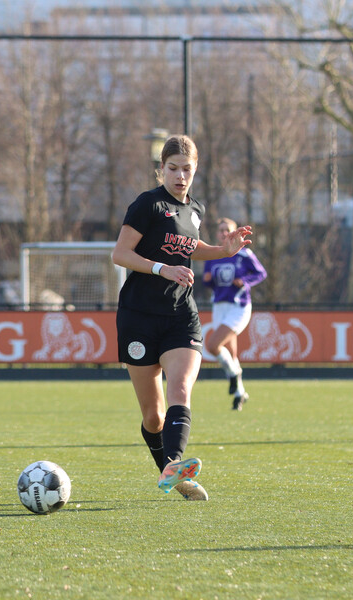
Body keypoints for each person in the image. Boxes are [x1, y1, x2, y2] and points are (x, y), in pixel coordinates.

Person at [112, 134, 252, 501]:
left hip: (180, 315)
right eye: (172, 168)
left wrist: (224, 250)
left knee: (180, 388)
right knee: (153, 416)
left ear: (196, 170)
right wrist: (163, 269)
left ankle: (175, 466)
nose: (180, 176)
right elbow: (121, 254)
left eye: (186, 169)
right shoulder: (147, 204)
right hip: (139, 317)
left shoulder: (196, 210)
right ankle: (169, 469)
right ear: (161, 169)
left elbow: (191, 248)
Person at [202, 217, 267, 411]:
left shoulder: (244, 254)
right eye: (221, 230)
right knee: (230, 353)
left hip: (238, 306)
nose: (223, 233)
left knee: (213, 345)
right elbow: (208, 281)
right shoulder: (212, 254)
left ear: (234, 233)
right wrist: (206, 280)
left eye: (227, 230)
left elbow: (261, 273)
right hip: (219, 306)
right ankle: (240, 394)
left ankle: (233, 375)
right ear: (217, 234)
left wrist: (245, 281)